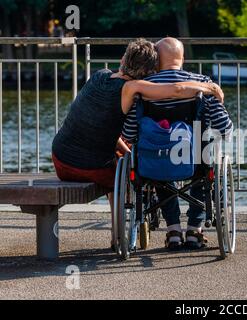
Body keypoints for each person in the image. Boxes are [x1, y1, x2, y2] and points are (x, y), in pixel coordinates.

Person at [51, 38, 224, 244]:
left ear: (123, 58)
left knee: (125, 161)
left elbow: (104, 130)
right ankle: (118, 236)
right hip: (90, 167)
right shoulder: (133, 88)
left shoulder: (100, 76)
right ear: (151, 71)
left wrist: (128, 153)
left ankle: (165, 228)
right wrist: (209, 86)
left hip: (60, 160)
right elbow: (176, 89)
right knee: (123, 181)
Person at [122, 37, 233, 251]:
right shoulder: (202, 83)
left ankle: (173, 230)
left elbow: (129, 132)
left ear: (156, 60)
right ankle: (194, 231)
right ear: (182, 58)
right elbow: (224, 128)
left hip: (155, 159)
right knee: (204, 157)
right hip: (194, 157)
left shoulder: (145, 87)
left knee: (159, 160)